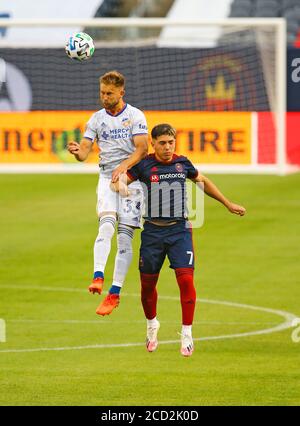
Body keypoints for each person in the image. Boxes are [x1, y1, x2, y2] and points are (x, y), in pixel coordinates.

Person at [111, 123, 246, 356]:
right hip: (152, 233)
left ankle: (187, 333)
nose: (167, 147)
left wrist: (227, 203)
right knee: (147, 286)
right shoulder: (144, 165)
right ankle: (152, 325)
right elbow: (118, 182)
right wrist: (121, 187)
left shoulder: (182, 163)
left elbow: (203, 181)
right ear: (153, 144)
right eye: (162, 143)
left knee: (186, 281)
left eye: (171, 142)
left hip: (180, 231)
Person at [67, 70, 148, 316]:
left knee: (124, 238)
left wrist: (125, 166)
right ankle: (98, 276)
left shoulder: (135, 116)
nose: (104, 97)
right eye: (102, 92)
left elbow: (143, 148)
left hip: (132, 181)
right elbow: (84, 153)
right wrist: (76, 152)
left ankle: (114, 293)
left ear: (121, 92)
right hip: (106, 177)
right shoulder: (96, 119)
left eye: (109, 93)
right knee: (106, 224)